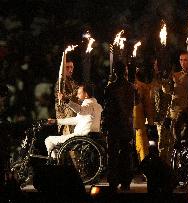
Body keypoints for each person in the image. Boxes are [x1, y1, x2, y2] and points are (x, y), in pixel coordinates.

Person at [101, 61, 136, 192]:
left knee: (113, 155)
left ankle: (113, 181)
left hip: (114, 125)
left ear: (115, 71)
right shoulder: (131, 87)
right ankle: (126, 180)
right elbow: (134, 104)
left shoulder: (110, 88)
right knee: (126, 154)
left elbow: (107, 107)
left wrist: (105, 124)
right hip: (127, 125)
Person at [45, 84, 102, 158]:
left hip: (80, 137)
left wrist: (65, 100)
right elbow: (75, 120)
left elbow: (79, 110)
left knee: (49, 140)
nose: (77, 96)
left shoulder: (89, 105)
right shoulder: (97, 106)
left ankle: (54, 161)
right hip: (90, 136)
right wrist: (56, 121)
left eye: (79, 93)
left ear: (86, 94)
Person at [161, 51, 188, 163]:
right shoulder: (175, 75)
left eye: (185, 60)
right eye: (181, 60)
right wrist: (165, 81)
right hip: (176, 112)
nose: (183, 62)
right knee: (174, 139)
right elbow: (167, 91)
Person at [133, 68, 154, 162]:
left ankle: (144, 166)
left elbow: (147, 105)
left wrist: (150, 120)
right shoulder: (119, 86)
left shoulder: (142, 87)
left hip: (138, 120)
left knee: (142, 144)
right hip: (125, 121)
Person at [54, 60, 79, 135]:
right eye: (67, 67)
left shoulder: (73, 82)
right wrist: (76, 93)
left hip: (73, 111)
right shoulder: (60, 82)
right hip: (65, 113)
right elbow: (63, 98)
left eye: (71, 67)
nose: (70, 70)